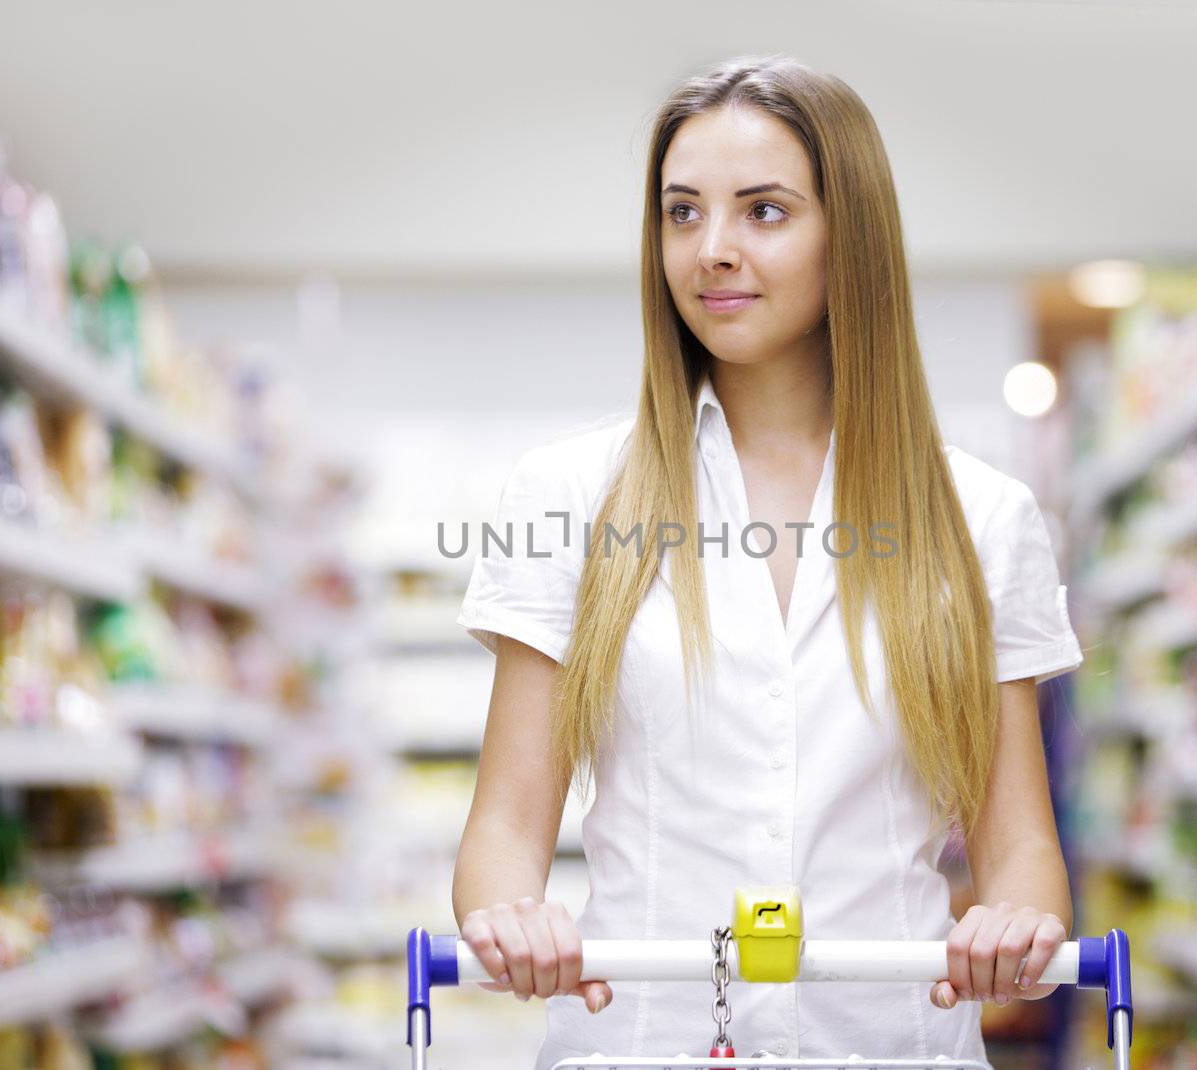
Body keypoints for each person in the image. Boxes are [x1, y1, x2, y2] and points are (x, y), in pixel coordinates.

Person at [450, 54, 1083, 1067]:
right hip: (643, 1043)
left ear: (852, 236)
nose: (713, 250)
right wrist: (509, 916)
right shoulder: (570, 496)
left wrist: (1013, 926)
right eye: (683, 212)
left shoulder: (979, 515)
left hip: (890, 1044)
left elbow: (1019, 847)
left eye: (764, 211)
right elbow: (504, 827)